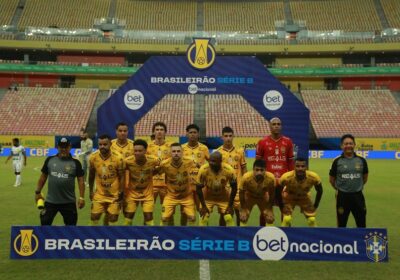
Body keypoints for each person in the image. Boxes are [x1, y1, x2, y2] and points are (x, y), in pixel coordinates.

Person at [34, 138, 85, 225]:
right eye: (61, 147)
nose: (64, 149)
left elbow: (81, 181)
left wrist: (81, 197)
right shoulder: (50, 160)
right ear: (58, 147)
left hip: (69, 202)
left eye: (66, 147)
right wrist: (37, 192)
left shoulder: (76, 163)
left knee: (71, 228)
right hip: (51, 201)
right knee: (44, 225)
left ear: (70, 147)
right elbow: (43, 177)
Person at [256, 117, 294, 225]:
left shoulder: (288, 142)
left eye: (278, 124)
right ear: (269, 126)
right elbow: (258, 165)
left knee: (285, 209)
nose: (276, 126)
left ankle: (286, 232)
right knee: (264, 210)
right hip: (267, 182)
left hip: (283, 182)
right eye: (274, 124)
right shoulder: (262, 142)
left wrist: (291, 181)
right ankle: (262, 231)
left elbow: (291, 163)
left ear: (281, 126)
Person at [329, 134, 368, 228]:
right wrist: (340, 188)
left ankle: (360, 242)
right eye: (346, 144)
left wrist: (356, 186)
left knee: (361, 223)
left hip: (358, 195)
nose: (348, 146)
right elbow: (332, 179)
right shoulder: (337, 161)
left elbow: (365, 177)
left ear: (354, 145)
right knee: (341, 224)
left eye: (350, 143)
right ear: (342, 146)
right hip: (342, 196)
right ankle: (342, 242)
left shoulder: (361, 160)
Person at [88, 135, 125, 226]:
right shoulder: (93, 157)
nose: (102, 146)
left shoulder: (118, 158)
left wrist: (121, 192)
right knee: (94, 216)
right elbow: (91, 175)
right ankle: (93, 237)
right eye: (100, 144)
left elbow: (122, 177)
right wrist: (90, 191)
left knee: (112, 218)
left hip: (114, 195)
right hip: (99, 194)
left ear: (110, 144)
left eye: (105, 144)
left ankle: (109, 238)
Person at [104, 122, 134, 225]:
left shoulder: (133, 145)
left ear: (128, 132)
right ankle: (105, 234)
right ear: (116, 132)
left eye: (125, 131)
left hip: (129, 182)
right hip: (112, 182)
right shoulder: (110, 144)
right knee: (109, 212)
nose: (122, 133)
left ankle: (126, 234)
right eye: (120, 131)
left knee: (128, 212)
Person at [158, 143, 196, 226]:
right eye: (174, 151)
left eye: (178, 151)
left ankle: (189, 236)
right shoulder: (164, 164)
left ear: (182, 152)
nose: (176, 153)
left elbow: (200, 168)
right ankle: (163, 236)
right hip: (171, 196)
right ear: (170, 153)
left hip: (186, 196)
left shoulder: (189, 161)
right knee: (164, 219)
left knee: (192, 218)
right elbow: (156, 172)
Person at [196, 151, 237, 226]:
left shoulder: (229, 170)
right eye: (210, 160)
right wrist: (203, 206)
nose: (211, 163)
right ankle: (202, 236)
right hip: (207, 197)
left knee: (229, 218)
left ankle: (229, 236)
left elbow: (234, 188)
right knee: (203, 218)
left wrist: (230, 205)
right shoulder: (203, 169)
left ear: (220, 161)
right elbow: (198, 188)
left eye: (214, 161)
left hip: (223, 197)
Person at [124, 139, 159, 226]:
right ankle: (125, 237)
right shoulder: (127, 161)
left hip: (147, 194)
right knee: (128, 217)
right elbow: (120, 173)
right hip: (132, 194)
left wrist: (152, 173)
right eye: (135, 151)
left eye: (140, 151)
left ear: (145, 151)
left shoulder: (153, 160)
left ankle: (149, 237)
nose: (137, 153)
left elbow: (162, 167)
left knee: (148, 217)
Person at [217, 126, 247, 226]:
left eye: (230, 136)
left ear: (233, 136)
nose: (228, 138)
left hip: (238, 188)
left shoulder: (240, 151)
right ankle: (222, 236)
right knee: (224, 214)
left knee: (239, 213)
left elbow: (244, 169)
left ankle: (238, 235)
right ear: (222, 137)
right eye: (226, 136)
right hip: (224, 189)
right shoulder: (218, 152)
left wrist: (245, 185)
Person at [280, 158, 323, 227]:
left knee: (312, 220)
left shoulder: (314, 177)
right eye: (297, 166)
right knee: (287, 219)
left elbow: (320, 191)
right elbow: (278, 190)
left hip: (304, 197)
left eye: (303, 166)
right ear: (294, 167)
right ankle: (283, 235)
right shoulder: (286, 177)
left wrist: (315, 205)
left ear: (306, 167)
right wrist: (281, 205)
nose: (300, 169)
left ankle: (315, 237)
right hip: (289, 197)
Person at [181, 124, 209, 225]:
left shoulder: (204, 148)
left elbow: (211, 165)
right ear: (186, 134)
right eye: (190, 132)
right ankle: (182, 233)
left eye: (194, 132)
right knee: (184, 212)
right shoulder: (181, 148)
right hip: (185, 185)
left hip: (200, 185)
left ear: (198, 134)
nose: (192, 135)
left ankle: (202, 233)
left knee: (202, 209)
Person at [239, 159, 275, 226]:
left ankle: (268, 235)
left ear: (265, 170)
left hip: (263, 196)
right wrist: (243, 208)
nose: (259, 172)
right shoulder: (246, 177)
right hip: (249, 196)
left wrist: (269, 208)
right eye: (257, 170)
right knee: (243, 217)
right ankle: (242, 235)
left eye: (262, 170)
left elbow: (272, 193)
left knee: (270, 218)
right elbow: (241, 193)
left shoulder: (271, 178)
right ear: (253, 170)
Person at [147, 122, 172, 218]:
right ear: (153, 132)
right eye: (157, 130)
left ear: (165, 132)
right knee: (148, 212)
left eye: (161, 130)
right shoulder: (148, 147)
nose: (159, 132)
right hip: (151, 184)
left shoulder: (171, 147)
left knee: (168, 213)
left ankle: (168, 232)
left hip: (166, 184)